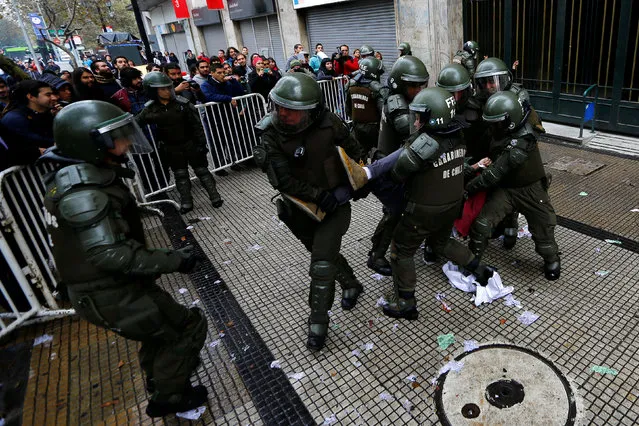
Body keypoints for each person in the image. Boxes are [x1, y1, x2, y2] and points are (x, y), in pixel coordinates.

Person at [40, 100, 208, 417]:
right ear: (92, 143)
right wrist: (173, 260)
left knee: (159, 333)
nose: (127, 141)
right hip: (109, 291)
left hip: (111, 288)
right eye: (118, 136)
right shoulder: (85, 192)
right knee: (187, 328)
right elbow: (108, 253)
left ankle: (161, 380)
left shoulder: (77, 178)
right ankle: (169, 398)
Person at [254, 73, 365, 351]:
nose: (282, 113)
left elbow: (354, 151)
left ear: (310, 111)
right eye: (279, 106)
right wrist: (317, 195)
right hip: (300, 209)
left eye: (291, 109)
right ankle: (351, 283)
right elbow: (282, 180)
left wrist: (359, 178)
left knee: (321, 264)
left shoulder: (330, 122)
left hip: (336, 205)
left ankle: (318, 323)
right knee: (322, 254)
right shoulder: (270, 134)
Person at [380, 87, 495, 319]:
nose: (416, 121)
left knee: (401, 251)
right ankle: (480, 270)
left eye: (419, 116)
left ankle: (406, 302)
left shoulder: (422, 145)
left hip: (422, 210)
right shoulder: (458, 135)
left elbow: (398, 174)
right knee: (441, 243)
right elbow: (457, 167)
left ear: (432, 117)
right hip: (451, 206)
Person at [466, 91, 560, 280]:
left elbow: (493, 174)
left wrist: (467, 189)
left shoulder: (523, 140)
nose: (493, 126)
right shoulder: (499, 130)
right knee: (482, 225)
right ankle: (472, 261)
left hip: (530, 190)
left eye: (497, 122)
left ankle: (552, 259)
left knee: (543, 233)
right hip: (507, 189)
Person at [368, 56, 429, 276]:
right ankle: (376, 255)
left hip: (399, 163)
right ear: (399, 84)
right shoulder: (396, 102)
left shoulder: (403, 98)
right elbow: (409, 130)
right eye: (413, 85)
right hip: (389, 168)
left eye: (421, 84)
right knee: (394, 212)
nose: (418, 89)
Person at [137, 72, 223, 213]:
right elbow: (136, 122)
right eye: (162, 89)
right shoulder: (150, 109)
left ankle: (215, 197)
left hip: (190, 143)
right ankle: (187, 202)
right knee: (180, 175)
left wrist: (202, 144)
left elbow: (197, 125)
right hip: (171, 147)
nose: (167, 91)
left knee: (202, 171)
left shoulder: (183, 104)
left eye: (168, 87)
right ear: (153, 91)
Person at [0, 80, 57, 164]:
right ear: (30, 97)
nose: (54, 98)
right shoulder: (14, 119)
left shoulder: (46, 113)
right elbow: (36, 140)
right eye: (48, 95)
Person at [345, 57, 386, 156]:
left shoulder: (350, 85)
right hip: (373, 128)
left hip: (357, 125)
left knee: (360, 153)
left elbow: (348, 108)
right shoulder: (377, 89)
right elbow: (383, 112)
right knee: (377, 154)